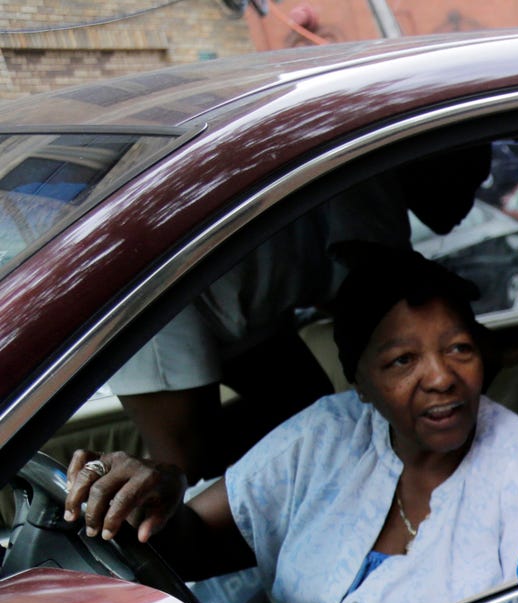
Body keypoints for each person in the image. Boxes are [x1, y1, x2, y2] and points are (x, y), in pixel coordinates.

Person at [63, 241, 518, 603]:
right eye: (403, 360)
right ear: (358, 382)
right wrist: (156, 493)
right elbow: (198, 542)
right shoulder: (326, 435)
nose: (442, 377)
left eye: (460, 349)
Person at [108, 146, 492, 481]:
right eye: (471, 178)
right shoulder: (374, 176)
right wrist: (478, 348)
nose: (470, 200)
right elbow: (382, 298)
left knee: (312, 415)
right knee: (182, 468)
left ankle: (254, 496)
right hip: (162, 297)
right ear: (437, 163)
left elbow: (352, 293)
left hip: (247, 310)